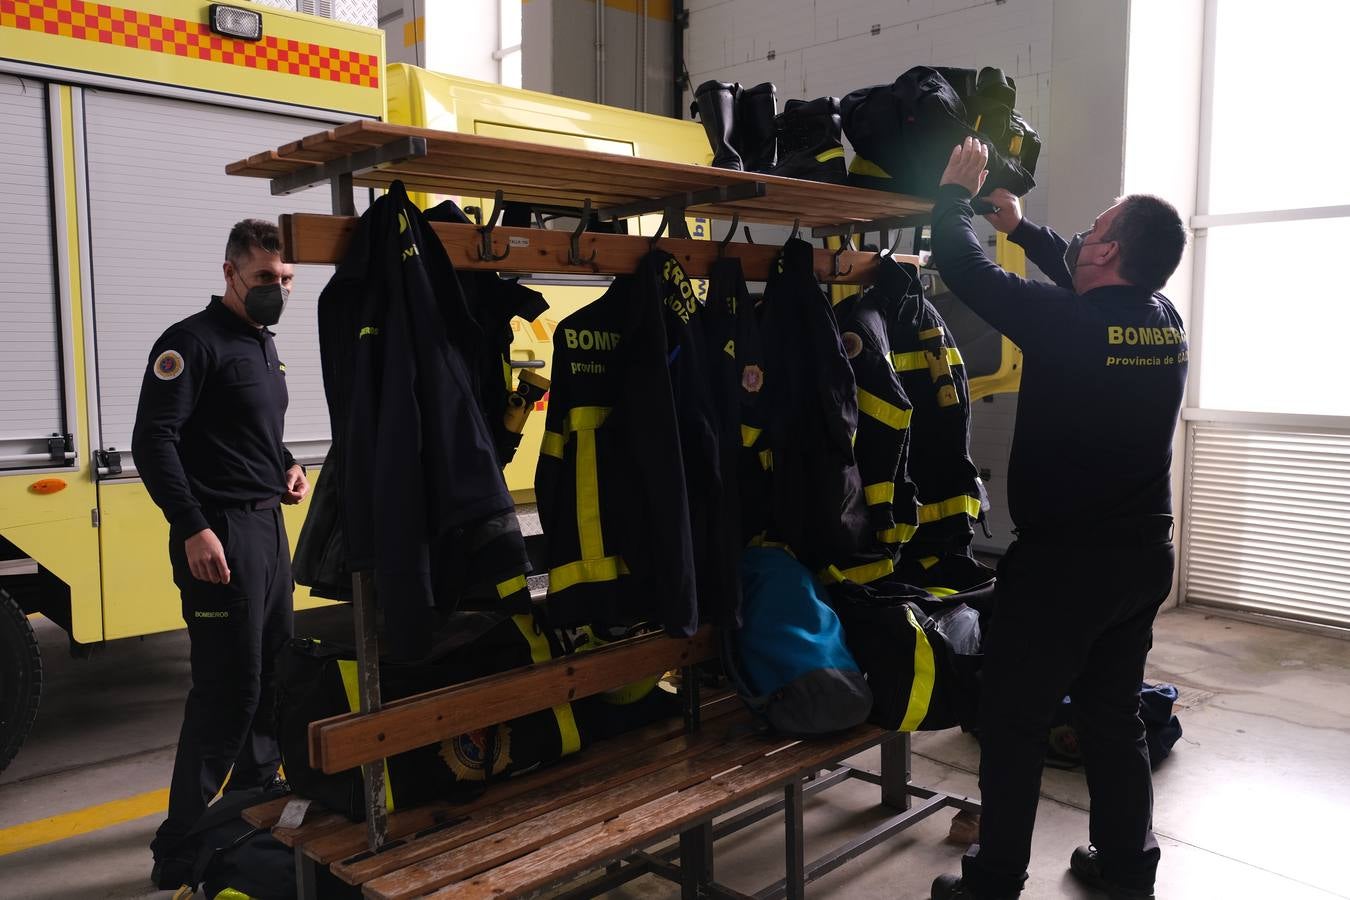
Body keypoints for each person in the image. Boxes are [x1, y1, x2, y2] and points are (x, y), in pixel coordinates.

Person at [928, 138, 1188, 900]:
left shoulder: (1063, 323)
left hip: (1062, 568)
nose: (1082, 235)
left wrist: (953, 198)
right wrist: (1022, 226)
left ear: (1107, 249)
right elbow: (1086, 293)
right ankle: (1126, 868)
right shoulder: (1163, 318)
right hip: (1141, 556)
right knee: (1113, 717)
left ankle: (995, 880)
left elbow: (965, 272)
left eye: (1093, 226)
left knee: (1014, 720)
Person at [133, 219, 310, 889]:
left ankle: (254, 808)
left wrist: (287, 465)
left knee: (273, 679)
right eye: (266, 278)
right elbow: (155, 439)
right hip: (222, 538)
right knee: (226, 694)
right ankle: (177, 847)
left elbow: (249, 433)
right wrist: (193, 526)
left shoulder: (262, 347)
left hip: (268, 528)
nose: (278, 290)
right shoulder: (190, 343)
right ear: (230, 273)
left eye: (287, 279)